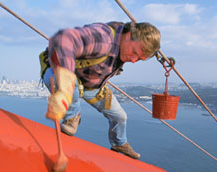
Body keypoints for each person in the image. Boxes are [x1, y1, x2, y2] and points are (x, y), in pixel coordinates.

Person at [40, 21, 161, 159]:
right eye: (134, 52)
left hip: (92, 85)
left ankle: (119, 143)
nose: (133, 60)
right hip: (62, 74)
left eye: (139, 59)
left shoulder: (123, 47)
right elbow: (64, 39)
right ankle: (72, 116)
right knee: (67, 85)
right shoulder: (103, 38)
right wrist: (65, 82)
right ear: (128, 36)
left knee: (120, 116)